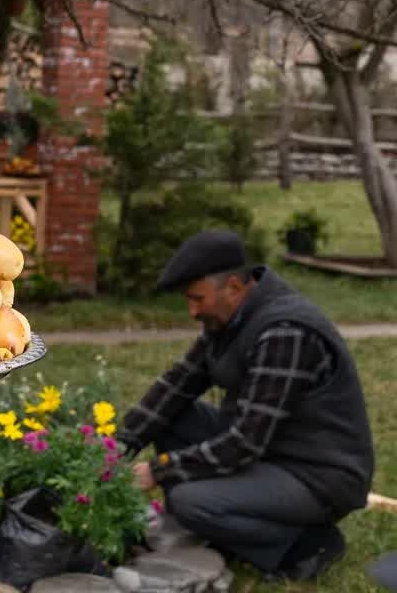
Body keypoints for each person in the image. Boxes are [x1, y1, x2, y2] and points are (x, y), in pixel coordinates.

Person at [117, 230, 373, 581]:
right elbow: (178, 384)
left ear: (234, 287)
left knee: (189, 502)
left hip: (316, 474)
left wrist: (158, 471)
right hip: (272, 449)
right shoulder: (231, 318)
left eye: (197, 299)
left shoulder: (285, 331)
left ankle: (305, 545)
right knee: (173, 417)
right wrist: (119, 445)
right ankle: (229, 520)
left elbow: (245, 443)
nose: (192, 311)